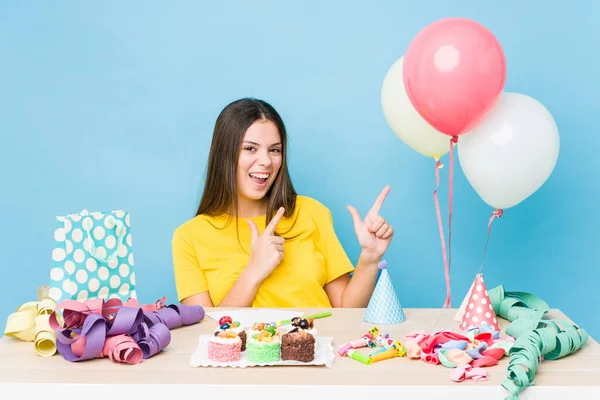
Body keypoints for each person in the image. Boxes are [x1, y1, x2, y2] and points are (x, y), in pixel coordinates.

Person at [172, 98, 394, 308]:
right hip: (247, 350)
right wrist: (253, 271)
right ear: (224, 154)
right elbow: (208, 335)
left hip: (318, 345)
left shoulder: (311, 213)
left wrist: (370, 259)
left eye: (274, 150)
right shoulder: (189, 237)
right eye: (250, 148)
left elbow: (346, 311)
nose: (266, 161)